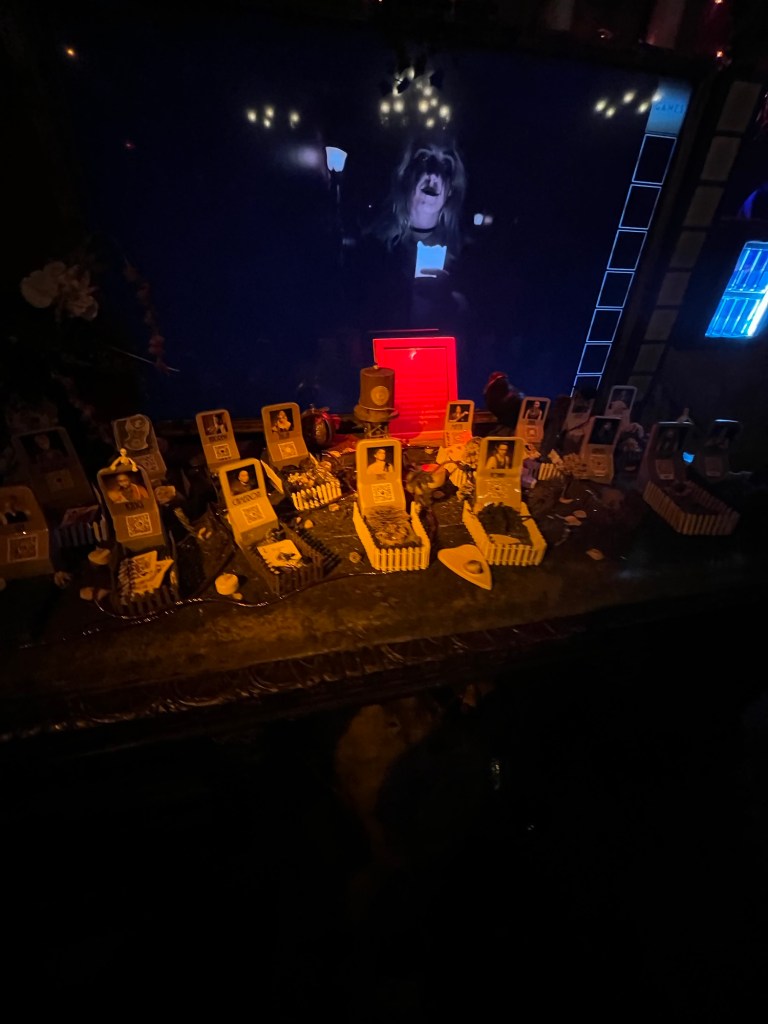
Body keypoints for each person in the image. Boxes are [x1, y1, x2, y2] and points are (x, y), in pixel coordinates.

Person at [353, 138, 470, 331]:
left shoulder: (462, 253)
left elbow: (478, 324)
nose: (433, 174)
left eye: (445, 166)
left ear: (451, 189)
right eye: (424, 159)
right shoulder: (374, 249)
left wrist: (451, 301)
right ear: (406, 175)